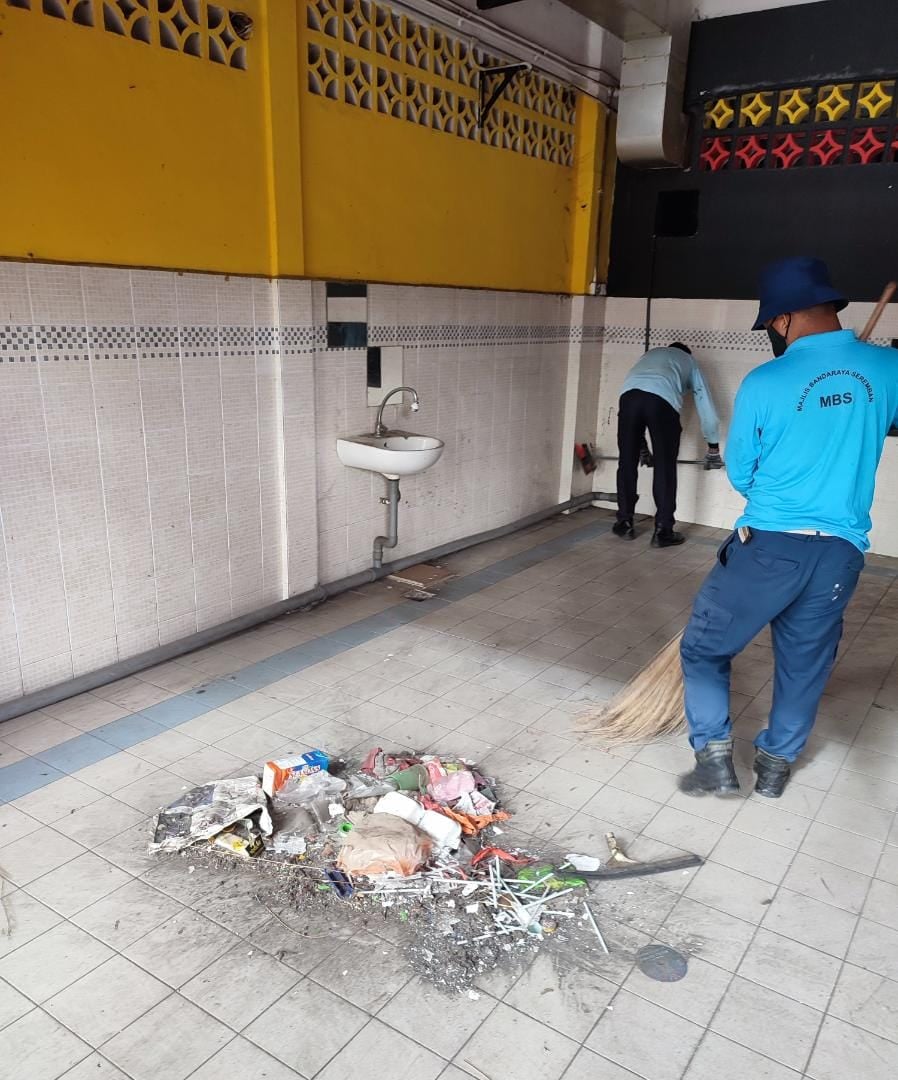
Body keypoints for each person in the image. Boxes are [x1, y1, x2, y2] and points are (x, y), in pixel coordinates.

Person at [679, 256, 898, 800]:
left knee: (705, 650)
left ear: (783, 319)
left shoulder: (767, 380)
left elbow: (742, 469)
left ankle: (715, 760)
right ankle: (775, 767)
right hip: (841, 554)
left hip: (770, 546)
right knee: (804, 664)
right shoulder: (887, 371)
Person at [613, 343, 722, 547]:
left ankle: (624, 522)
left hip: (628, 398)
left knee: (626, 462)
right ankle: (663, 530)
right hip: (661, 403)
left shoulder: (649, 355)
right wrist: (713, 445)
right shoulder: (689, 361)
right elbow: (704, 404)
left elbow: (642, 394)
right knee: (664, 467)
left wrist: (641, 447)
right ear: (685, 353)